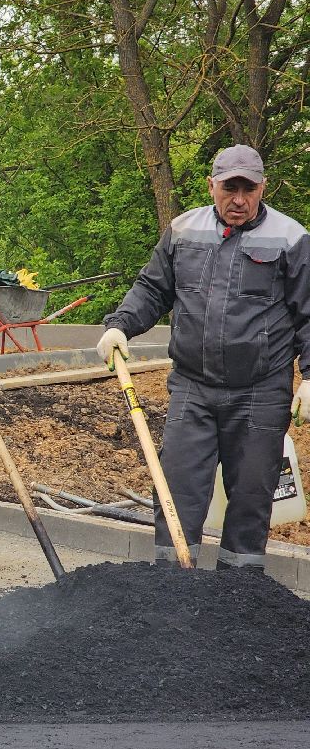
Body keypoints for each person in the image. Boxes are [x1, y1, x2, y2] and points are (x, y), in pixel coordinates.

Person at [97, 145, 310, 570]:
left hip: (260, 392)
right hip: (193, 388)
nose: (239, 200)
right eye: (229, 188)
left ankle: (238, 590)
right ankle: (174, 585)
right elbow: (153, 288)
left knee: (251, 496)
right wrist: (120, 325)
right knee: (177, 490)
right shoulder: (183, 231)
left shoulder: (291, 239)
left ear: (263, 187)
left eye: (248, 189)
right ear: (211, 185)